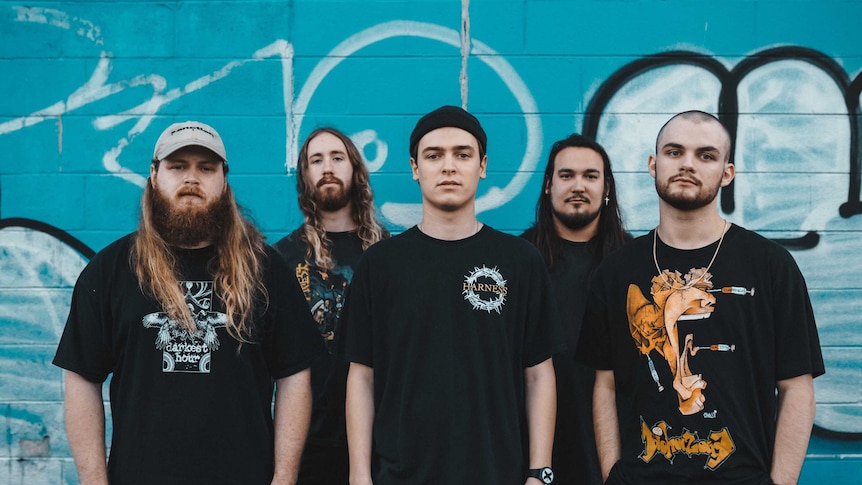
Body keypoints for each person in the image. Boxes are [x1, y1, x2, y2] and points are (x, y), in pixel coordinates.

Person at [53, 121, 324, 484]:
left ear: (224, 180)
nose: (191, 179)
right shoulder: (111, 269)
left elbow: (293, 375)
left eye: (206, 168)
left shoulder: (265, 268)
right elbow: (81, 379)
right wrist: (94, 481)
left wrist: (284, 478)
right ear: (154, 174)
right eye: (178, 166)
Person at [576, 111, 824, 484]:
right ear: (653, 164)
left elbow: (796, 388)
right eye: (674, 152)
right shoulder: (615, 272)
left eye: (706, 155)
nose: (687, 164)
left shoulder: (771, 266)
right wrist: (614, 474)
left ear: (727, 173)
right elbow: (605, 384)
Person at [342, 105, 565, 485]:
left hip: (498, 473)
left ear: (482, 166)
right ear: (415, 168)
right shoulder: (380, 264)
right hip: (400, 474)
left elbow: (539, 375)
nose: (448, 166)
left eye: (462, 154)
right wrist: (360, 476)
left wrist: (539, 473)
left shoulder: (519, 261)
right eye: (434, 155)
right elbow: (362, 377)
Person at [274, 127, 389, 484]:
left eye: (337, 158)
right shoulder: (281, 258)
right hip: (308, 443)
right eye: (316, 160)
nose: (327, 168)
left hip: (380, 439)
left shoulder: (390, 255)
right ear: (304, 176)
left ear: (355, 170)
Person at [521, 133, 630, 485]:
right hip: (531, 451)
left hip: (613, 446)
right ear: (548, 185)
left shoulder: (634, 262)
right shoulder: (518, 259)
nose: (578, 186)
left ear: (607, 187)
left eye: (591, 176)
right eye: (566, 175)